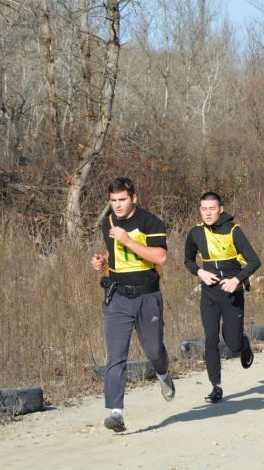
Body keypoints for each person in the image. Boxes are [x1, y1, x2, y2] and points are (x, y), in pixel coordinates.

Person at [91, 177, 174, 433]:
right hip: (117, 297)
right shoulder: (108, 222)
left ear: (134, 198)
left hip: (147, 296)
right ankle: (116, 412)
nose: (117, 205)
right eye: (113, 200)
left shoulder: (151, 222)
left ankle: (162, 373)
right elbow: (113, 253)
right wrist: (101, 261)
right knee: (116, 356)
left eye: (122, 200)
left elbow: (160, 257)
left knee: (153, 351)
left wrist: (127, 240)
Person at [184, 192, 260, 404]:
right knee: (210, 338)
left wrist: (237, 279)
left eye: (212, 209)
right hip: (209, 293)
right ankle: (216, 386)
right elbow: (188, 260)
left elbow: (254, 261)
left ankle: (243, 345)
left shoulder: (234, 230)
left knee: (232, 343)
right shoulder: (196, 233)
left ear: (221, 209)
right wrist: (200, 272)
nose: (207, 213)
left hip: (231, 293)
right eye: (203, 209)